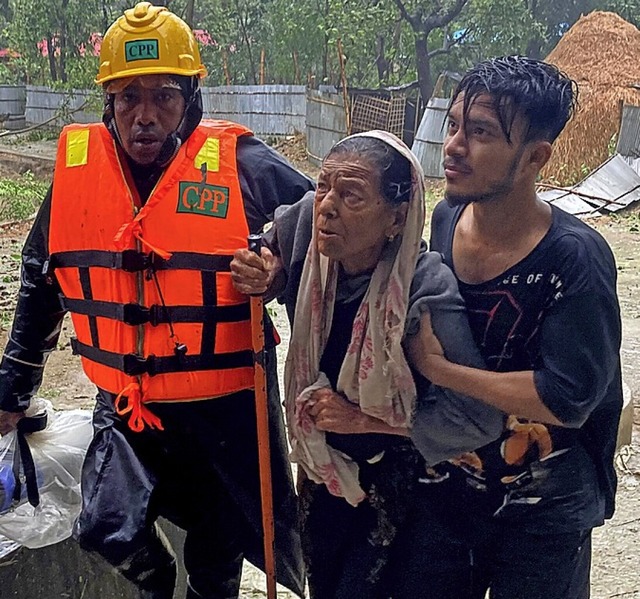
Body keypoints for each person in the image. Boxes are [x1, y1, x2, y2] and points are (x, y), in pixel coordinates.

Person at [0, 3, 314, 598]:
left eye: (163, 97)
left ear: (191, 97)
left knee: (217, 554)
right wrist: (12, 393)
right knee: (106, 527)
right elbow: (44, 279)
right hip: (127, 405)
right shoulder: (77, 175)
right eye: (128, 98)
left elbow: (324, 233)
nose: (144, 116)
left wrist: (275, 267)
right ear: (109, 103)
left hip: (223, 413)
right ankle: (156, 584)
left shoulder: (242, 167)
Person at [231, 130, 505, 598]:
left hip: (408, 491)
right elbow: (270, 243)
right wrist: (266, 269)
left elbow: (477, 418)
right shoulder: (306, 232)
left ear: (397, 218)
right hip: (324, 479)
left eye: (352, 194)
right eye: (324, 188)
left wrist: (364, 420)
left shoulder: (424, 290)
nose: (328, 207)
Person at [406, 56, 623, 598]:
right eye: (454, 124)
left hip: (544, 515)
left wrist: (440, 370)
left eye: (479, 133)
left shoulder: (574, 259)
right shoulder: (446, 217)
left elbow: (566, 399)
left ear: (535, 158)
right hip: (449, 496)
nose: (454, 144)